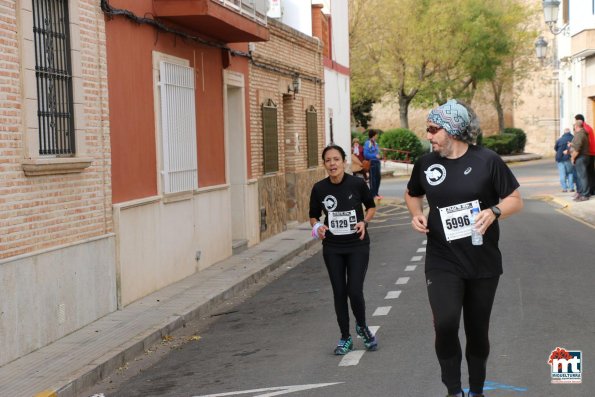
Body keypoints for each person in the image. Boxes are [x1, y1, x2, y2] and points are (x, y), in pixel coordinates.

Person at [404, 99, 523, 397]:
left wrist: (494, 212)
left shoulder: (488, 161)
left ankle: (477, 390)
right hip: (442, 258)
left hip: (482, 260)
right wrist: (415, 213)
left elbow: (515, 200)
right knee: (445, 323)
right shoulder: (426, 163)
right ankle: (454, 390)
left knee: (477, 331)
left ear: (453, 130)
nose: (428, 135)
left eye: (433, 129)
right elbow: (412, 193)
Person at [309, 144, 378, 355]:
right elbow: (313, 215)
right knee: (339, 292)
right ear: (324, 164)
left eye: (336, 159)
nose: (332, 164)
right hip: (332, 247)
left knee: (354, 290)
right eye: (328, 160)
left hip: (357, 244)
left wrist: (364, 222)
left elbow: (371, 206)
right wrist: (317, 227)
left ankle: (362, 326)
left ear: (344, 162)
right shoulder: (319, 188)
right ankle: (345, 338)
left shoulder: (356, 184)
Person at [574, 114, 595, 195]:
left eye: (575, 120)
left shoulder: (584, 129)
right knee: (591, 173)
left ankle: (586, 191)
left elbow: (584, 142)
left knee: (584, 174)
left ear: (579, 120)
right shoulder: (589, 127)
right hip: (592, 152)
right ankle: (592, 190)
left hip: (588, 152)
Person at [570, 120, 591, 201]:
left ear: (576, 126)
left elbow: (578, 148)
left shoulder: (580, 134)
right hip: (584, 156)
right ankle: (582, 193)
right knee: (581, 177)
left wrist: (573, 158)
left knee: (582, 177)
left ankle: (585, 195)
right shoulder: (583, 133)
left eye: (574, 126)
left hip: (581, 157)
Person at [554, 128, 575, 192]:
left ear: (564, 133)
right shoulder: (573, 138)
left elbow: (555, 148)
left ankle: (564, 188)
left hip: (560, 158)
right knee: (570, 173)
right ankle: (571, 188)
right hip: (568, 157)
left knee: (562, 174)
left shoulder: (559, 139)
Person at [364, 129, 383, 199]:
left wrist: (380, 156)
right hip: (372, 163)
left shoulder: (375, 143)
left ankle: (376, 193)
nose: (377, 136)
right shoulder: (368, 143)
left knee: (378, 178)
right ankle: (373, 195)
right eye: (376, 134)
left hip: (377, 162)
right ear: (373, 135)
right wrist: (375, 156)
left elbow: (377, 152)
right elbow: (366, 154)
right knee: (373, 179)